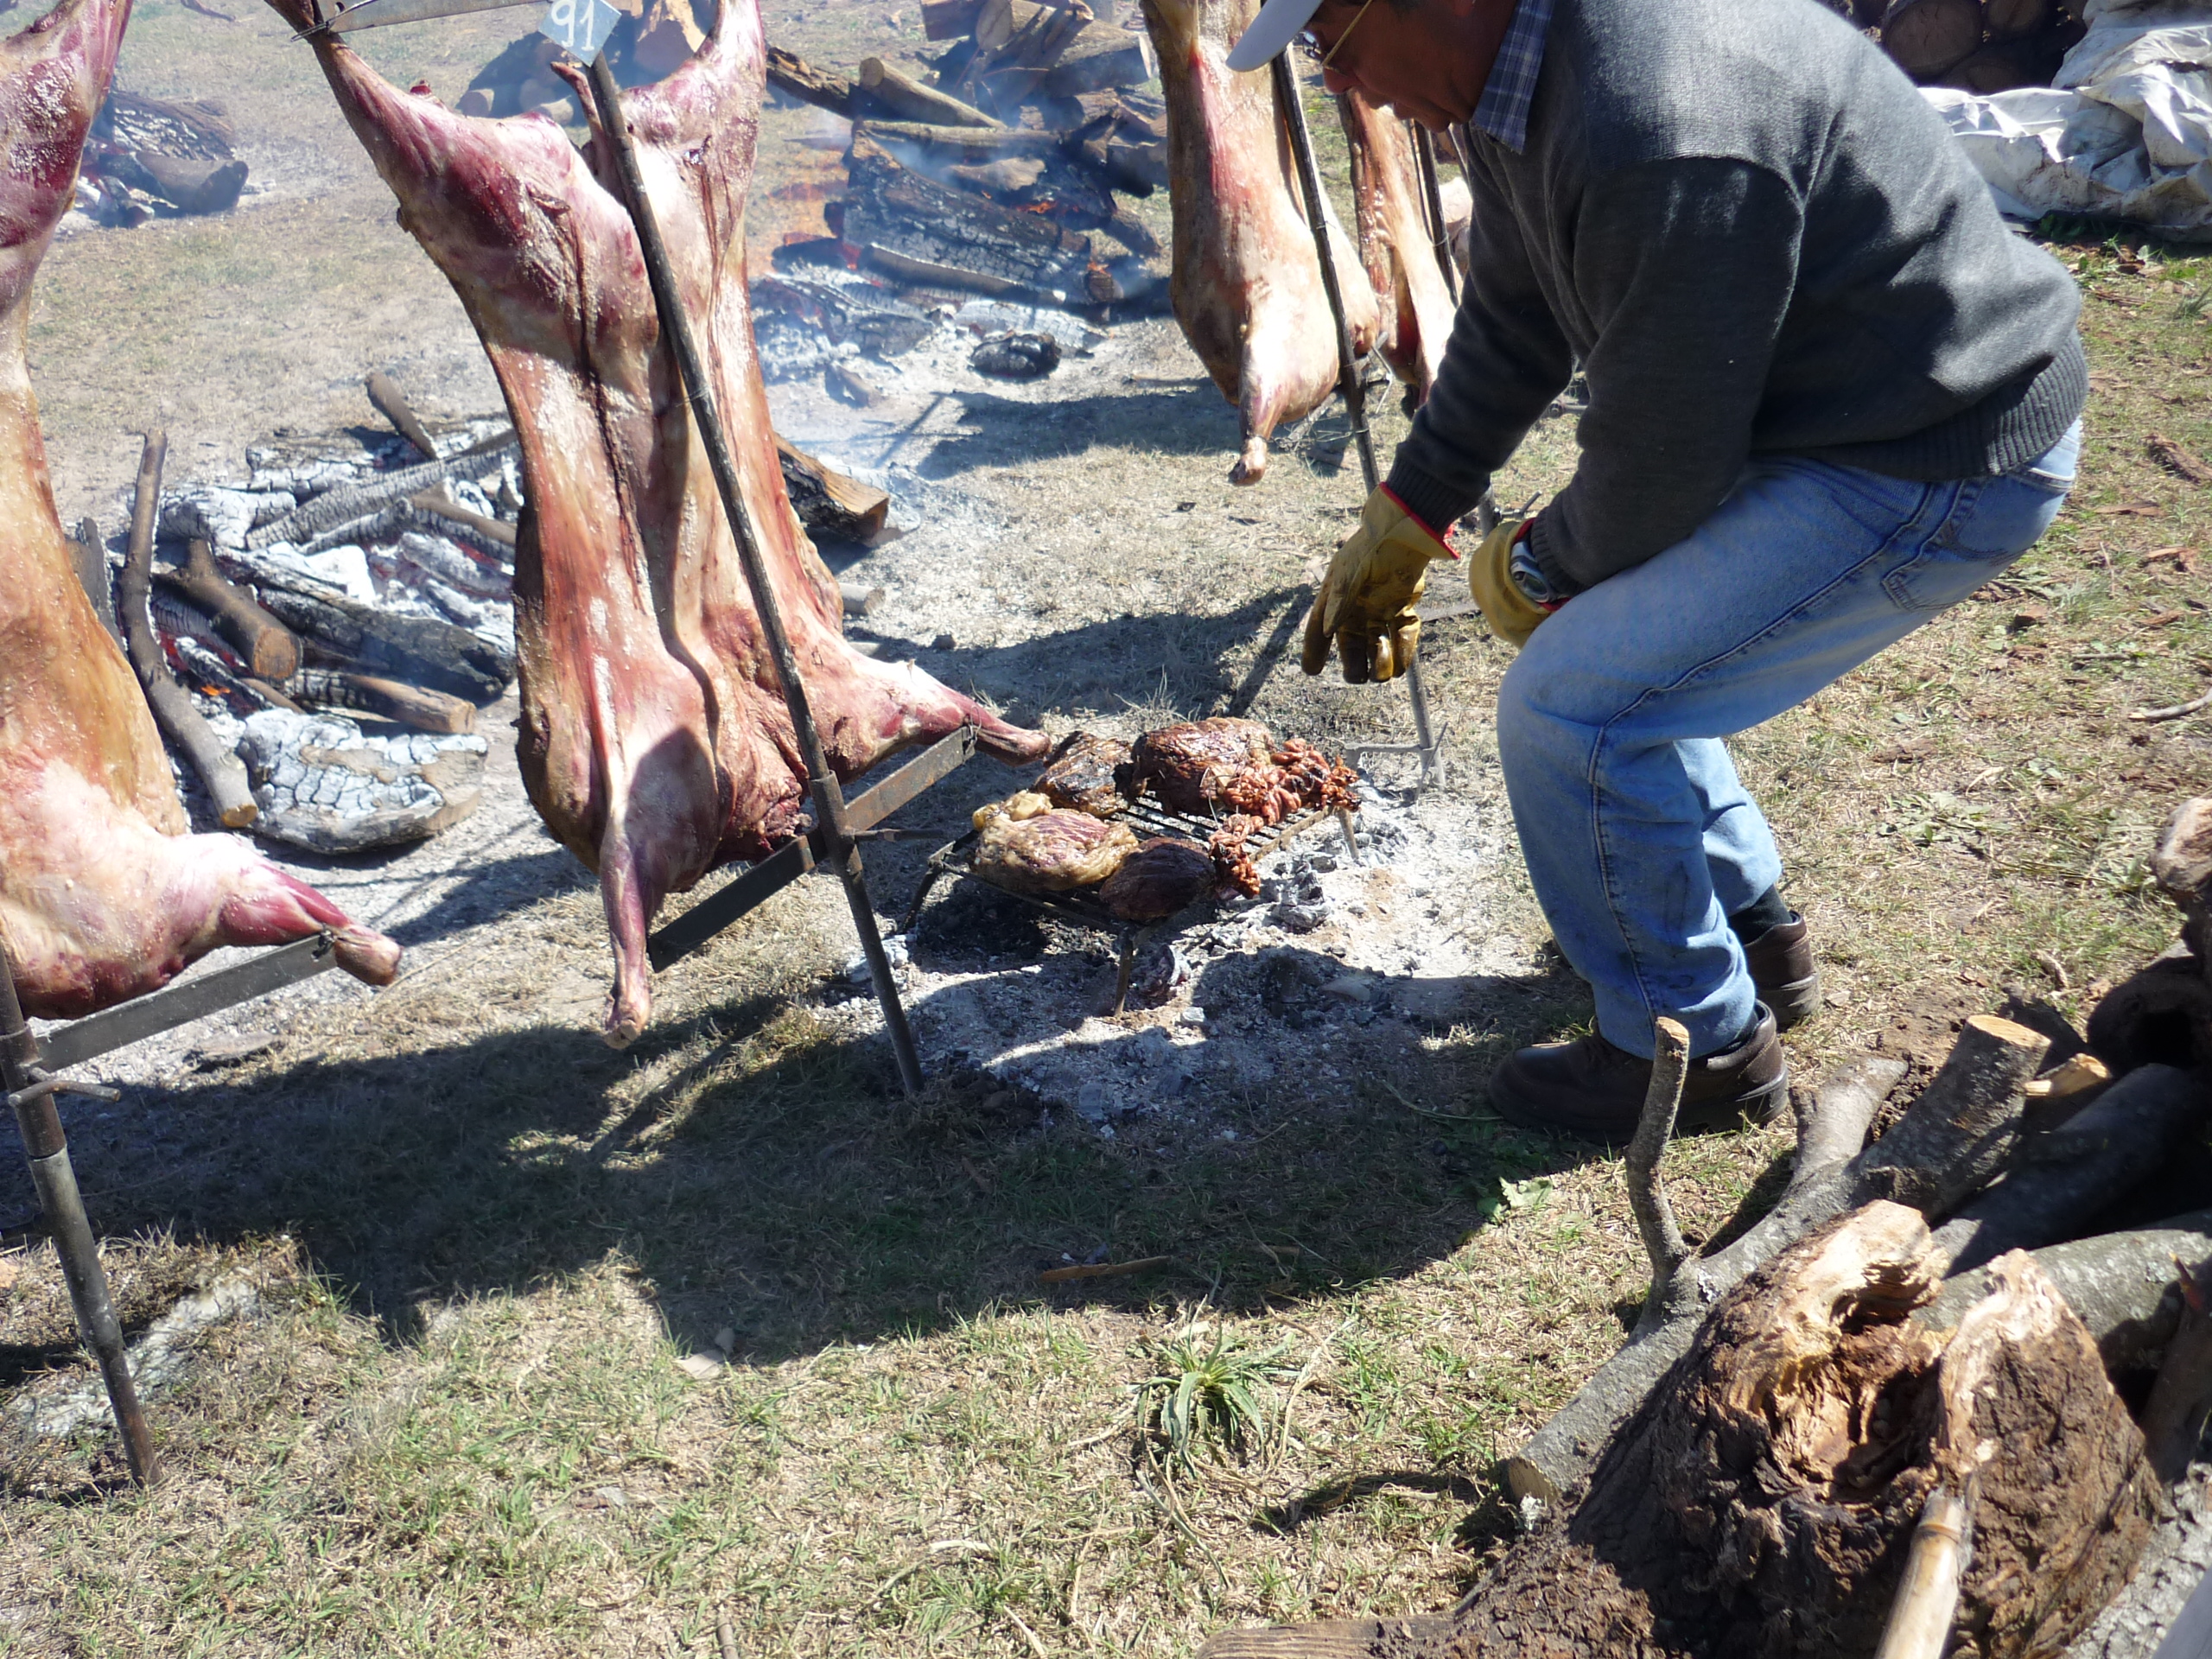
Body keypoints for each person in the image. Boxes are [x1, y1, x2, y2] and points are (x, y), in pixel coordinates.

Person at [1224, 0, 2086, 1137]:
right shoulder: (1510, 78)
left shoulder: (1657, 121)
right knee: (1631, 664)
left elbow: (1664, 458)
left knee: (1576, 700)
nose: (1347, 88)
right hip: (1833, 419)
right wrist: (1412, 508)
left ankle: (1692, 1051)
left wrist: (1541, 567)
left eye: (1334, 45)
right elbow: (1517, 310)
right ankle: (1748, 933)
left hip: (1936, 450)